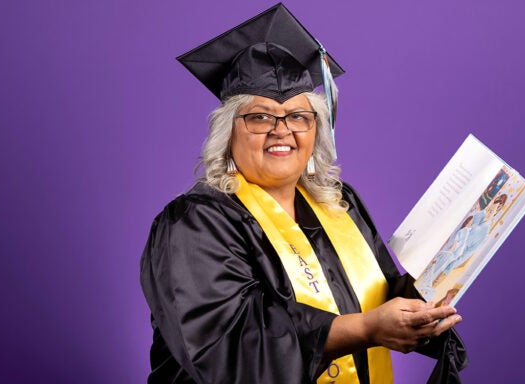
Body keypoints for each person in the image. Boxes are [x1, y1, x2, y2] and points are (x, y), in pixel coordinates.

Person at [140, 4, 467, 383]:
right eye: (260, 116)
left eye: (298, 116)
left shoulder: (339, 204)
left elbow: (378, 296)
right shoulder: (194, 223)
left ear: (316, 130)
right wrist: (366, 329)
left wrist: (427, 300)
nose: (282, 130)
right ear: (228, 134)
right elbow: (230, 344)